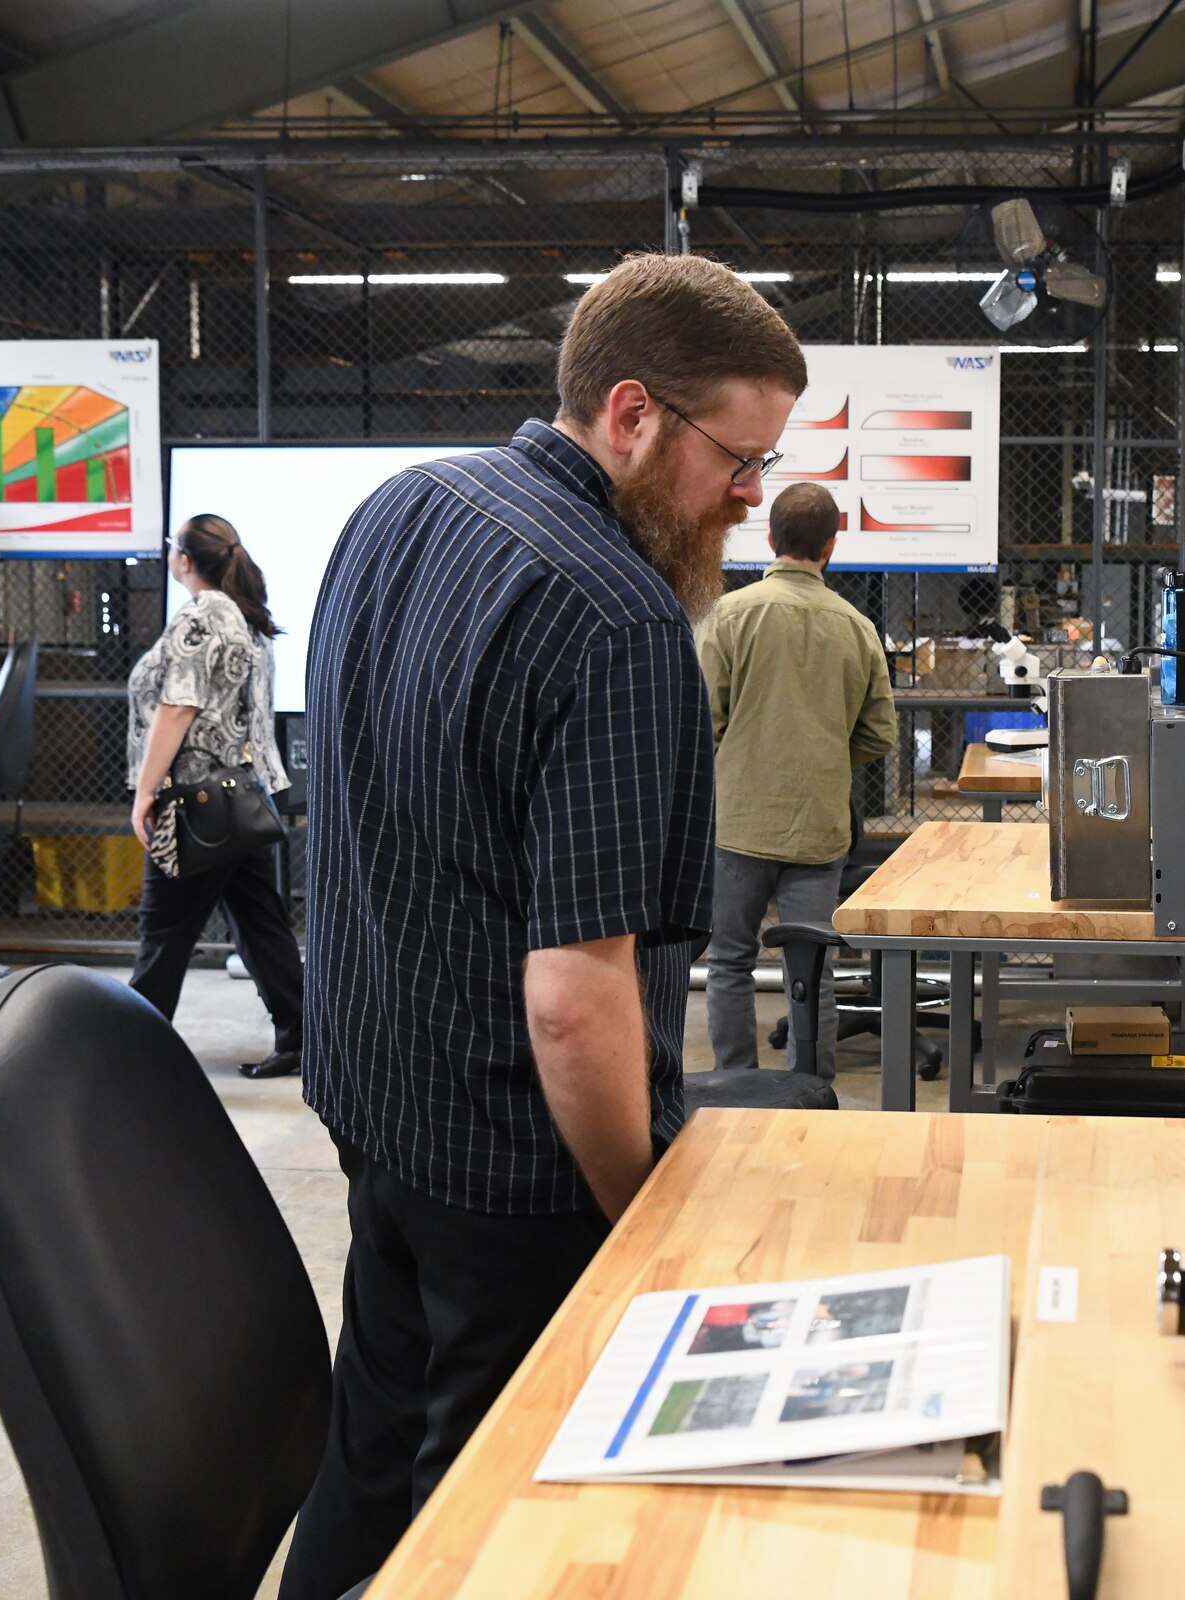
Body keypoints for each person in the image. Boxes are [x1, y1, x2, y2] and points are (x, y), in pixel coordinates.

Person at [279, 253, 807, 1600]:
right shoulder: (620, 622)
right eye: (738, 459)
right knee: (500, 1526)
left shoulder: (401, 506)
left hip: (380, 1112)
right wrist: (642, 1216)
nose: (751, 497)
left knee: (376, 1447)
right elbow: (578, 994)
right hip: (516, 1177)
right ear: (632, 415)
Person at [696, 482, 896, 1079]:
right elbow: (879, 733)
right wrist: (825, 760)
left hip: (737, 824)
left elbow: (703, 717)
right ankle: (814, 1088)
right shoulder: (857, 627)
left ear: (768, 538)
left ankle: (734, 1084)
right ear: (831, 546)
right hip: (819, 829)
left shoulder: (727, 615)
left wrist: (741, 761)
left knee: (729, 962)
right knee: (812, 969)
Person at [125, 513, 302, 1079]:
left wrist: (146, 792)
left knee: (164, 930)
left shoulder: (202, 615)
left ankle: (133, 1057)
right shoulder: (247, 615)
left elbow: (179, 707)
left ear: (184, 561)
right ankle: (304, 1038)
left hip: (195, 804)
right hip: (243, 800)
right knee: (259, 924)